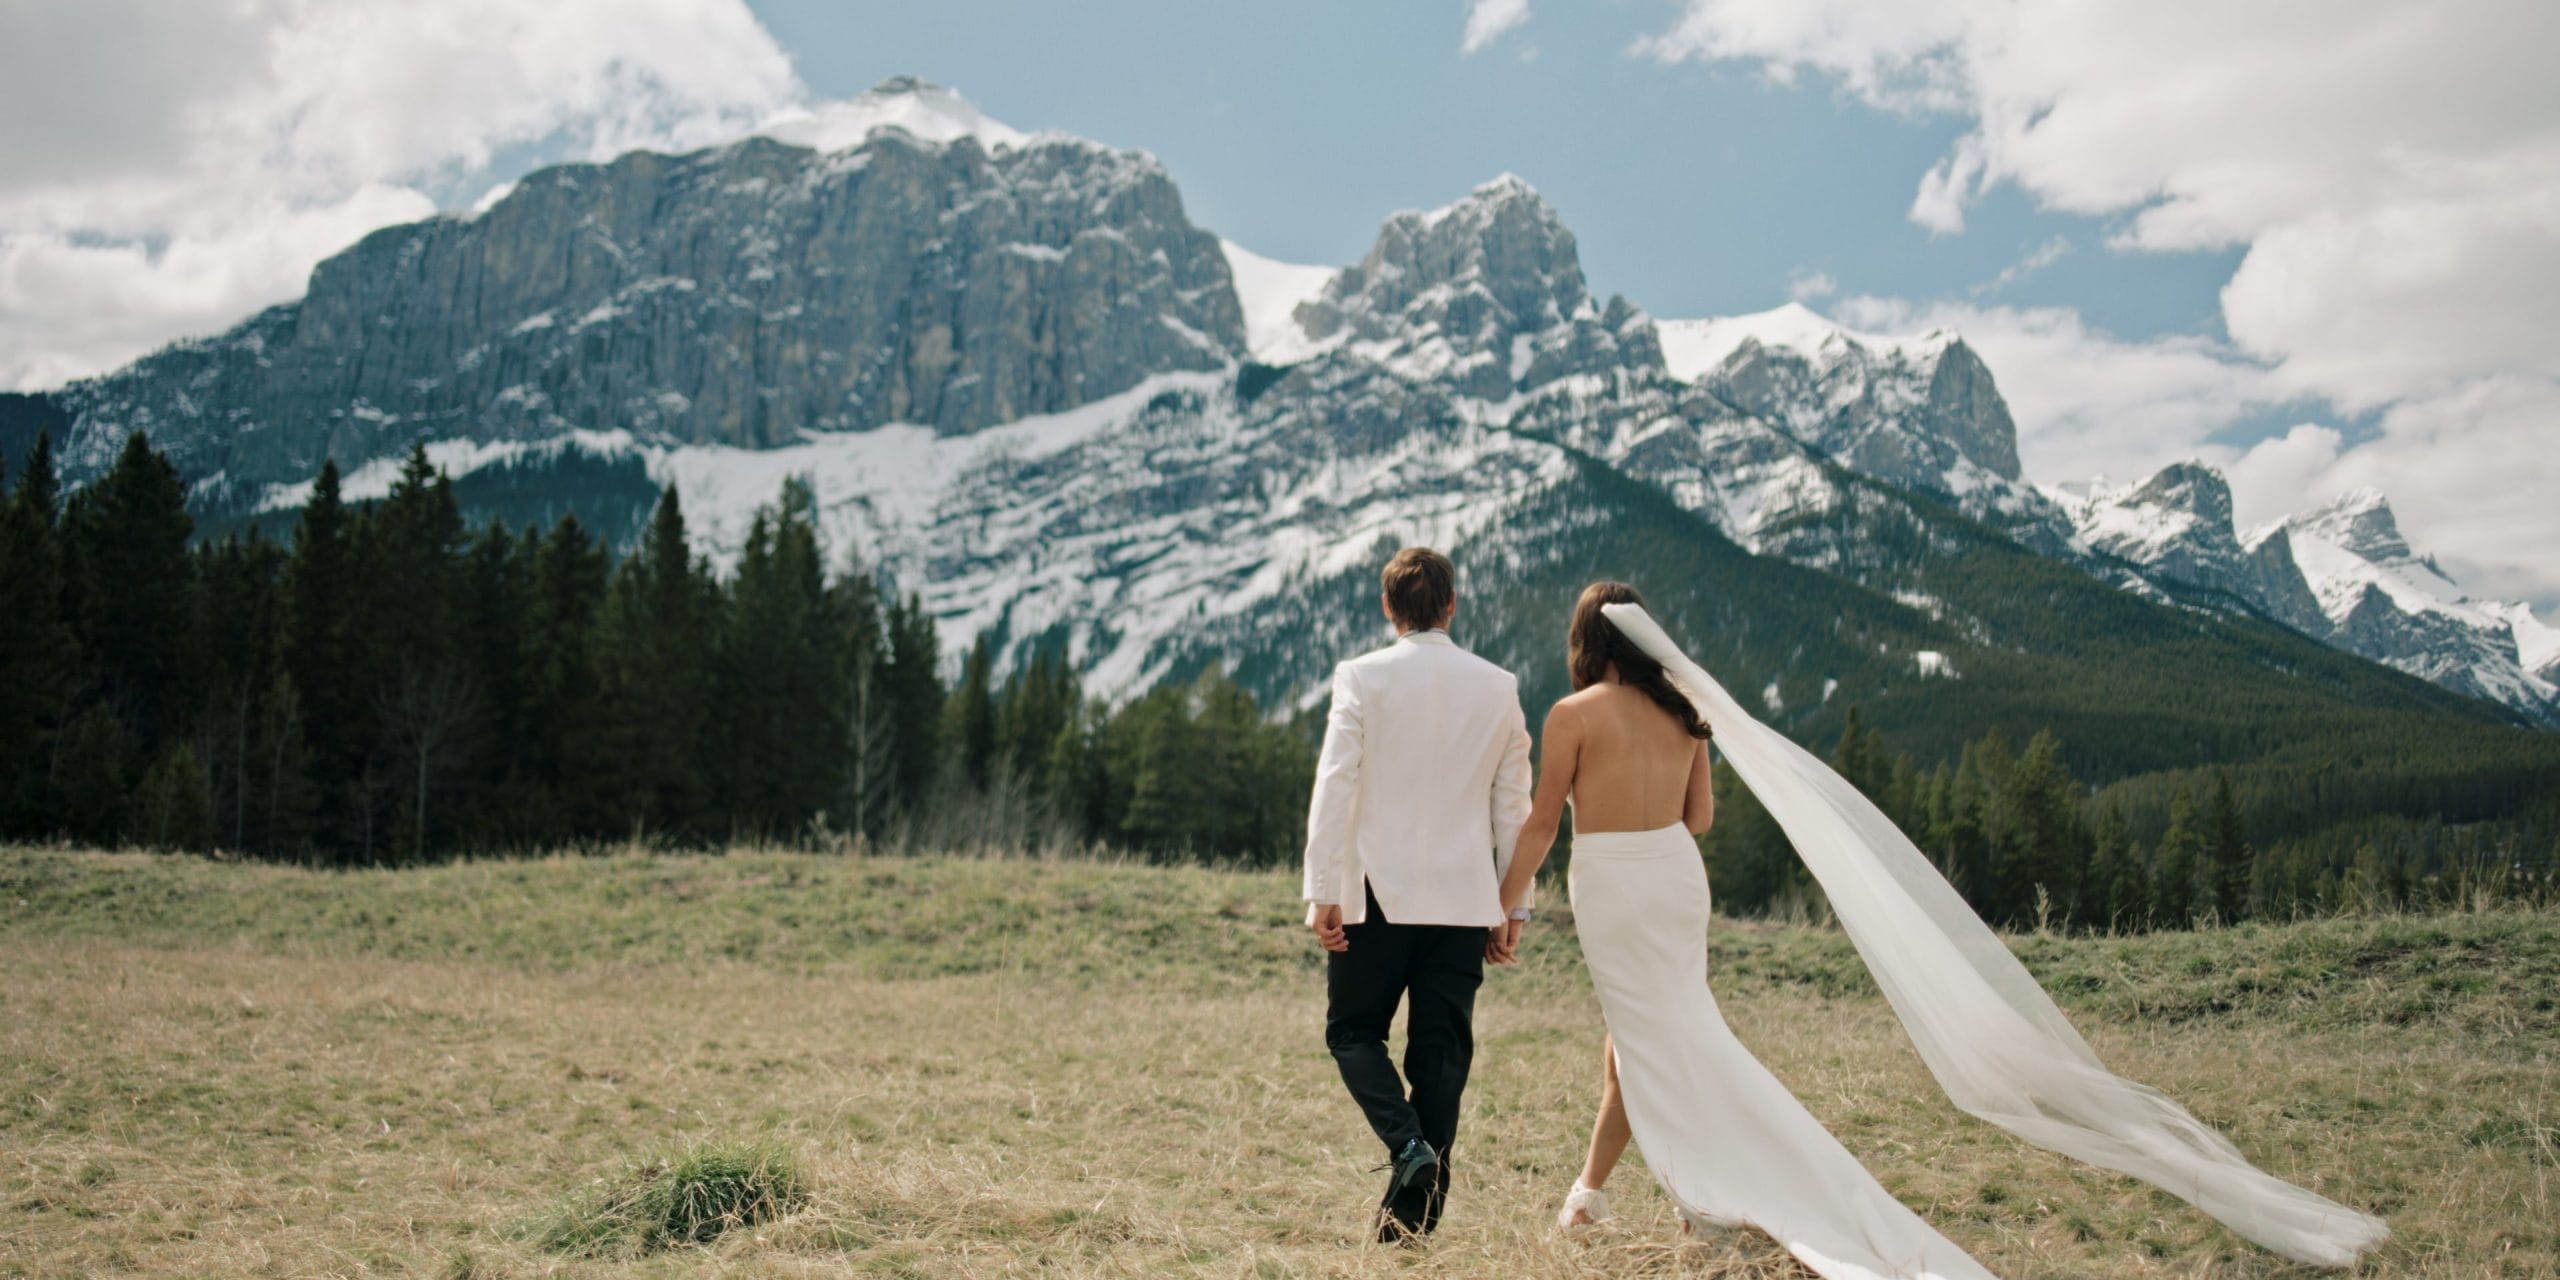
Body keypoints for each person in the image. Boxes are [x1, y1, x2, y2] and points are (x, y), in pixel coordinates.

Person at [1496, 581, 2387, 1277]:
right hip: (1674, 881)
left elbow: (1543, 822)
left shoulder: (1572, 717)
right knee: (1656, 1034)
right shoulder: (1688, 714)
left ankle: (1712, 1194)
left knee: (1663, 1039)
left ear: (1586, 644)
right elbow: (1699, 822)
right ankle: (1602, 1195)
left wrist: (1509, 900)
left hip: (1612, 883)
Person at [1302, 546, 1533, 1242]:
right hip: (1465, 903)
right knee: (1440, 1057)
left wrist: (1322, 889)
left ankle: (1408, 1152)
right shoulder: (1499, 686)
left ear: (1388, 609)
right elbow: (1513, 806)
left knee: (1351, 1031)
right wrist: (1513, 905)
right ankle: (1413, 1227)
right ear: (1452, 604)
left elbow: (1336, 781)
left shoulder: (1362, 677)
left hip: (1376, 894)